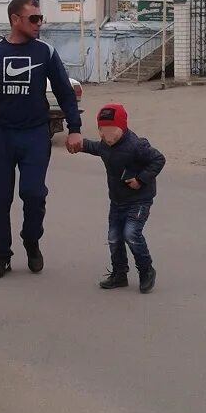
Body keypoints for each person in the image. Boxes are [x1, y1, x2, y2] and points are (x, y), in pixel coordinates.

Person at [0, 0, 83, 279]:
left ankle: (31, 240)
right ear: (15, 20)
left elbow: (64, 92)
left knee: (33, 193)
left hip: (35, 134)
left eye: (40, 18)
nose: (39, 24)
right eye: (33, 19)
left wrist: (75, 128)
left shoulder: (45, 52)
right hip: (0, 136)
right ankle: (2, 256)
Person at [71, 103, 165, 293]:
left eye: (112, 130)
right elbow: (94, 147)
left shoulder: (135, 146)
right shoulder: (105, 145)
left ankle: (146, 270)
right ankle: (119, 273)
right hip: (117, 201)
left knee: (130, 234)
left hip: (139, 199)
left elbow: (158, 159)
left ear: (122, 127)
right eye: (102, 131)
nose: (107, 136)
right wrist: (79, 145)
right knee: (114, 238)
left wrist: (140, 180)